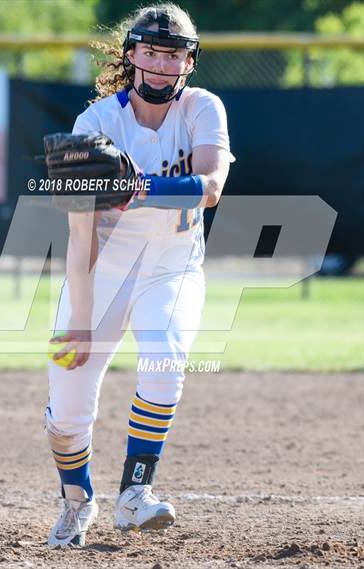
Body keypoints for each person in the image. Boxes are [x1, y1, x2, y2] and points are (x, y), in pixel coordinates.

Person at [45, 2, 235, 547]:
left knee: (166, 357)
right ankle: (77, 501)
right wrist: (80, 320)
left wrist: (138, 188)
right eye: (150, 52)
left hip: (172, 265)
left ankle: (134, 495)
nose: (162, 65)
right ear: (130, 56)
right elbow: (81, 237)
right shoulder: (96, 123)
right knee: (69, 410)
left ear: (190, 63)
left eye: (174, 55)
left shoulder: (203, 108)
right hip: (103, 269)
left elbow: (212, 185)